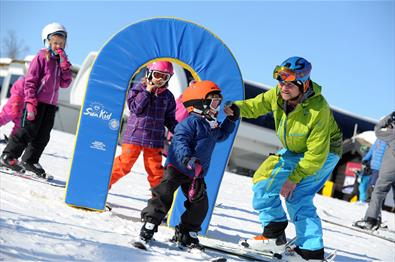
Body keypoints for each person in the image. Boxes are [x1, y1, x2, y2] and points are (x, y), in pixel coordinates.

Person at [224, 56, 343, 261]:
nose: (283, 88)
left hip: (324, 153)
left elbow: (316, 154)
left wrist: (293, 179)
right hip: (295, 150)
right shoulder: (278, 95)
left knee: (298, 196)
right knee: (263, 180)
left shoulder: (318, 109)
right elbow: (257, 105)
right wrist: (237, 109)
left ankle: (311, 251)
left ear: (303, 85)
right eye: (281, 82)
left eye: (289, 84)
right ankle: (274, 233)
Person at [138, 80, 238, 248]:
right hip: (177, 167)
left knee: (200, 204)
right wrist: (187, 158)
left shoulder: (211, 124)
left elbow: (220, 136)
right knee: (164, 194)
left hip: (196, 173)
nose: (217, 107)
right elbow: (179, 141)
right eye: (214, 102)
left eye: (219, 102)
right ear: (199, 103)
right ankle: (149, 225)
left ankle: (186, 233)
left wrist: (231, 120)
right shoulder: (190, 123)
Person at [0, 22, 72, 177]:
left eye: (61, 43)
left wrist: (65, 67)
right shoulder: (41, 57)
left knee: (43, 135)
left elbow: (65, 83)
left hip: (50, 105)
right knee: (27, 131)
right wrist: (30, 102)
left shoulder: (60, 62)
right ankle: (9, 156)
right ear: (47, 42)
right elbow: (30, 81)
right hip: (36, 102)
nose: (58, 46)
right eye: (55, 43)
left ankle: (30, 160)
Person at [108, 61, 178, 190]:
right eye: (157, 75)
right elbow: (135, 108)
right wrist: (147, 91)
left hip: (154, 140)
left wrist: (178, 131)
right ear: (149, 73)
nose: (160, 79)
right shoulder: (138, 89)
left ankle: (158, 201)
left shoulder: (168, 97)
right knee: (124, 164)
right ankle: (103, 186)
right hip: (134, 137)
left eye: (165, 77)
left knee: (155, 171)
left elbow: (170, 119)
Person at [354, 111, 395, 230]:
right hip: (382, 168)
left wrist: (389, 117)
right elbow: (373, 150)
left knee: (377, 192)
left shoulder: (391, 134)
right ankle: (376, 218)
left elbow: (377, 129)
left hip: (388, 170)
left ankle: (371, 220)